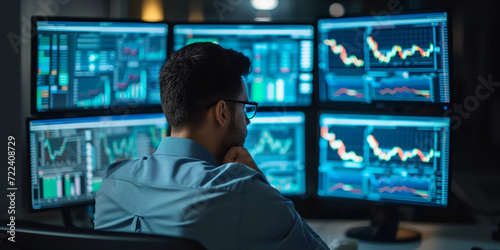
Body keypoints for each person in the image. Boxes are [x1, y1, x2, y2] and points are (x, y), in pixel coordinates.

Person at [94, 42, 329, 250]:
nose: (246, 120)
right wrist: (262, 184)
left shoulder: (112, 183)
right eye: (244, 108)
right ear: (223, 112)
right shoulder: (242, 190)